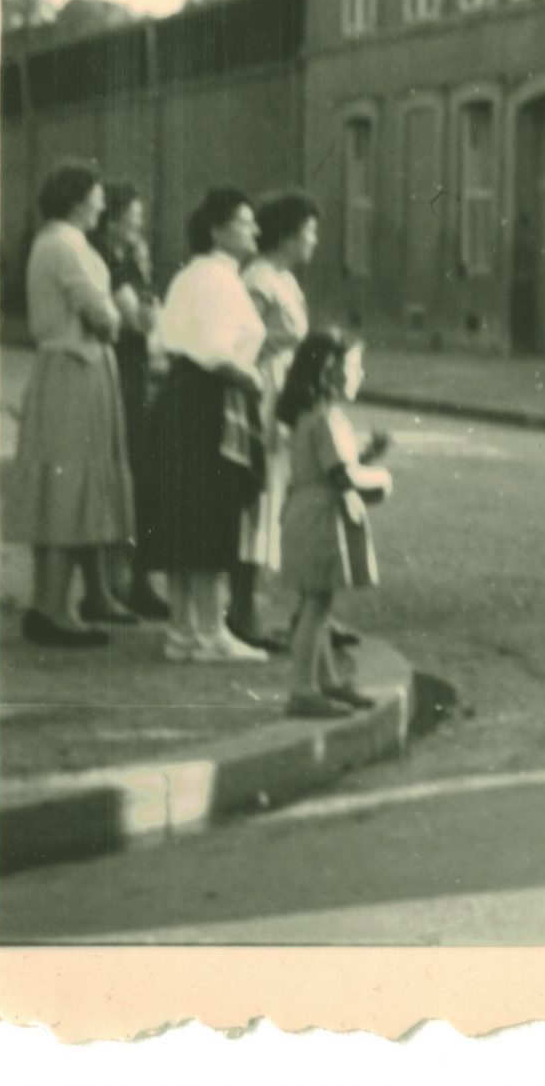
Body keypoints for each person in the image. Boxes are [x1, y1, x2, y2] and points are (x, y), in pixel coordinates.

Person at [1, 161, 137, 648]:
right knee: (69, 481)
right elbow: (103, 314)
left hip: (70, 368)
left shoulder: (55, 241)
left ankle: (65, 601)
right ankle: (53, 609)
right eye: (97, 195)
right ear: (78, 198)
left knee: (72, 482)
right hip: (76, 368)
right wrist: (114, 321)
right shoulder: (65, 244)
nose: (102, 202)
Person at [139, 188, 271, 664]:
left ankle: (184, 631)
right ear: (217, 228)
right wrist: (252, 378)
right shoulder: (216, 279)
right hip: (207, 401)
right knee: (210, 511)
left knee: (185, 514)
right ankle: (210, 632)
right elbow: (216, 352)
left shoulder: (194, 275)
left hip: (182, 398)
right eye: (244, 221)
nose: (253, 230)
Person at [273, 329, 394, 720]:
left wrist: (365, 454)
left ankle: (324, 681)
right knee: (316, 604)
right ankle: (302, 689)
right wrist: (382, 481)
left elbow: (331, 462)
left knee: (318, 601)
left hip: (306, 512)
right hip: (319, 517)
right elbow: (340, 476)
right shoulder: (325, 418)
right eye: (353, 366)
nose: (359, 374)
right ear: (329, 372)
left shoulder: (315, 415)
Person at [236, 192, 322, 654]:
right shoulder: (258, 279)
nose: (314, 241)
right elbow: (244, 341)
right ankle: (242, 611)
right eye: (308, 231)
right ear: (288, 235)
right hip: (266, 392)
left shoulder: (284, 279)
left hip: (287, 389)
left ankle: (305, 614)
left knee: (287, 497)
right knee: (262, 498)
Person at [87, 181, 166, 621]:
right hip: (119, 373)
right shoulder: (107, 260)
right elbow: (139, 320)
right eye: (131, 219)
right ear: (113, 219)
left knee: (139, 474)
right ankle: (117, 583)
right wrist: (148, 311)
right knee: (122, 474)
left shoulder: (128, 260)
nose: (137, 227)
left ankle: (135, 580)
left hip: (134, 373)